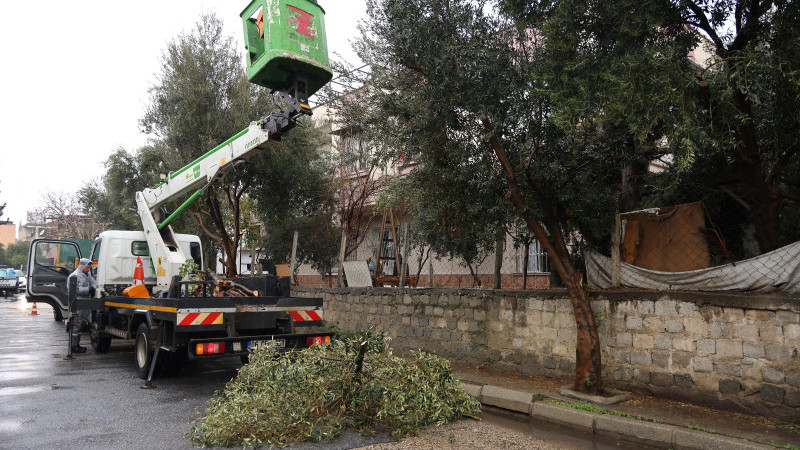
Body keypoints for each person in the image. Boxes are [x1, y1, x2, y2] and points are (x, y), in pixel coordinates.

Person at [68, 258, 97, 353]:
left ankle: (77, 345)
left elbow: (94, 283)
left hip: (85, 305)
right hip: (78, 305)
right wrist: (91, 289)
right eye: (87, 267)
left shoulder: (86, 274)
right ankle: (73, 347)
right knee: (76, 327)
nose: (88, 269)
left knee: (80, 326)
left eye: (89, 267)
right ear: (82, 266)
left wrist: (96, 286)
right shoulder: (75, 276)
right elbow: (77, 290)